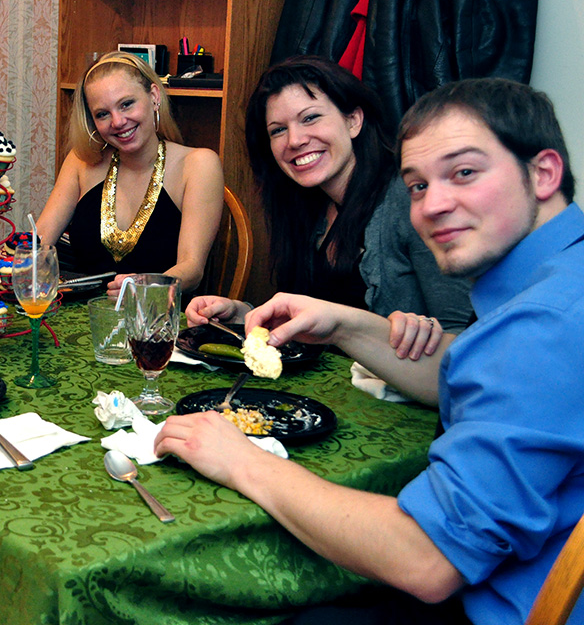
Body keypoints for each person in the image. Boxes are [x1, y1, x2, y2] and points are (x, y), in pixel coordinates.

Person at [156, 77, 582, 625]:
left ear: (543, 173)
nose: (432, 205)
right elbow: (458, 378)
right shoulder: (557, 281)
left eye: (464, 173)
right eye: (418, 185)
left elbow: (426, 559)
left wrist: (242, 460)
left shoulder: (544, 324)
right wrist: (343, 325)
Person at [188, 57, 472, 350]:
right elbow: (314, 324)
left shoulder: (408, 198)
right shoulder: (306, 203)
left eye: (310, 118)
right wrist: (242, 315)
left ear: (353, 121)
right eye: (278, 130)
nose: (295, 140)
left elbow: (463, 335)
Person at [35, 51, 222, 294]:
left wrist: (144, 288)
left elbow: (192, 269)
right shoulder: (81, 161)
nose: (117, 122)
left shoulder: (198, 165)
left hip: (159, 313)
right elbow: (38, 242)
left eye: (126, 104)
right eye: (102, 114)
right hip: (82, 311)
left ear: (154, 96)